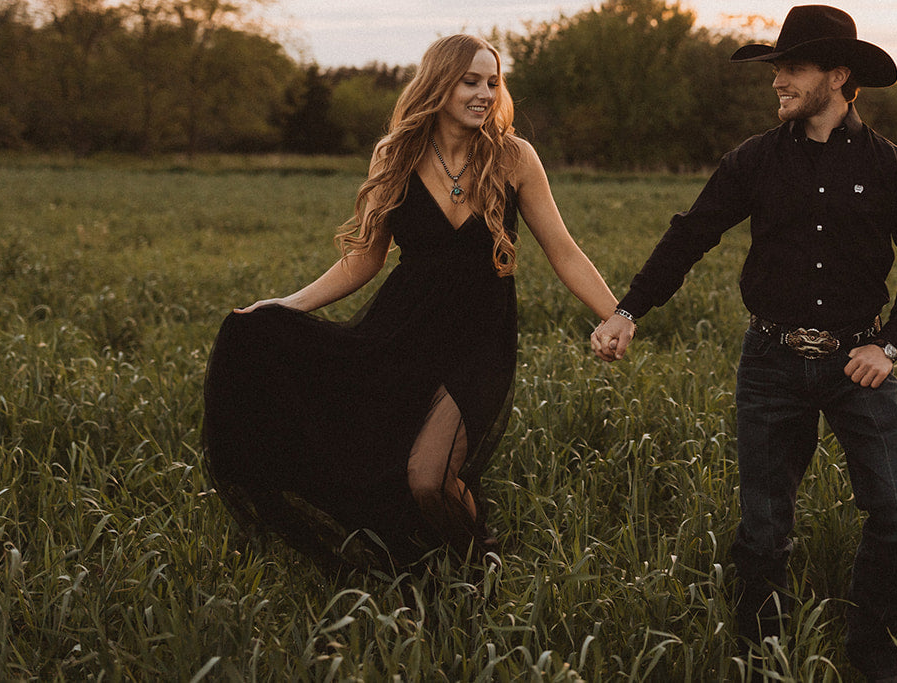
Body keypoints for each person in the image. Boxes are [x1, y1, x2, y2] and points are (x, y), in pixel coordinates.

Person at [590, 5, 897, 683]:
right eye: (777, 67)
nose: (778, 80)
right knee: (763, 532)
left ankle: (873, 654)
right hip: (771, 362)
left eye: (794, 67)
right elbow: (691, 233)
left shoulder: (891, 167)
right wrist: (628, 309)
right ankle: (760, 660)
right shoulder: (753, 160)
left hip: (857, 363)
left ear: (839, 76)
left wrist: (891, 347)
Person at [203, 33, 619, 569]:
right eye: (471, 81)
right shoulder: (395, 154)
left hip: (480, 337)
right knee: (377, 465)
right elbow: (364, 260)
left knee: (429, 478)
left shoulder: (514, 157)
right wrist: (288, 305)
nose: (485, 93)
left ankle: (480, 561)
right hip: (403, 330)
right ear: (439, 83)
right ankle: (447, 571)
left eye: (493, 82)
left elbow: (562, 250)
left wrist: (615, 313)